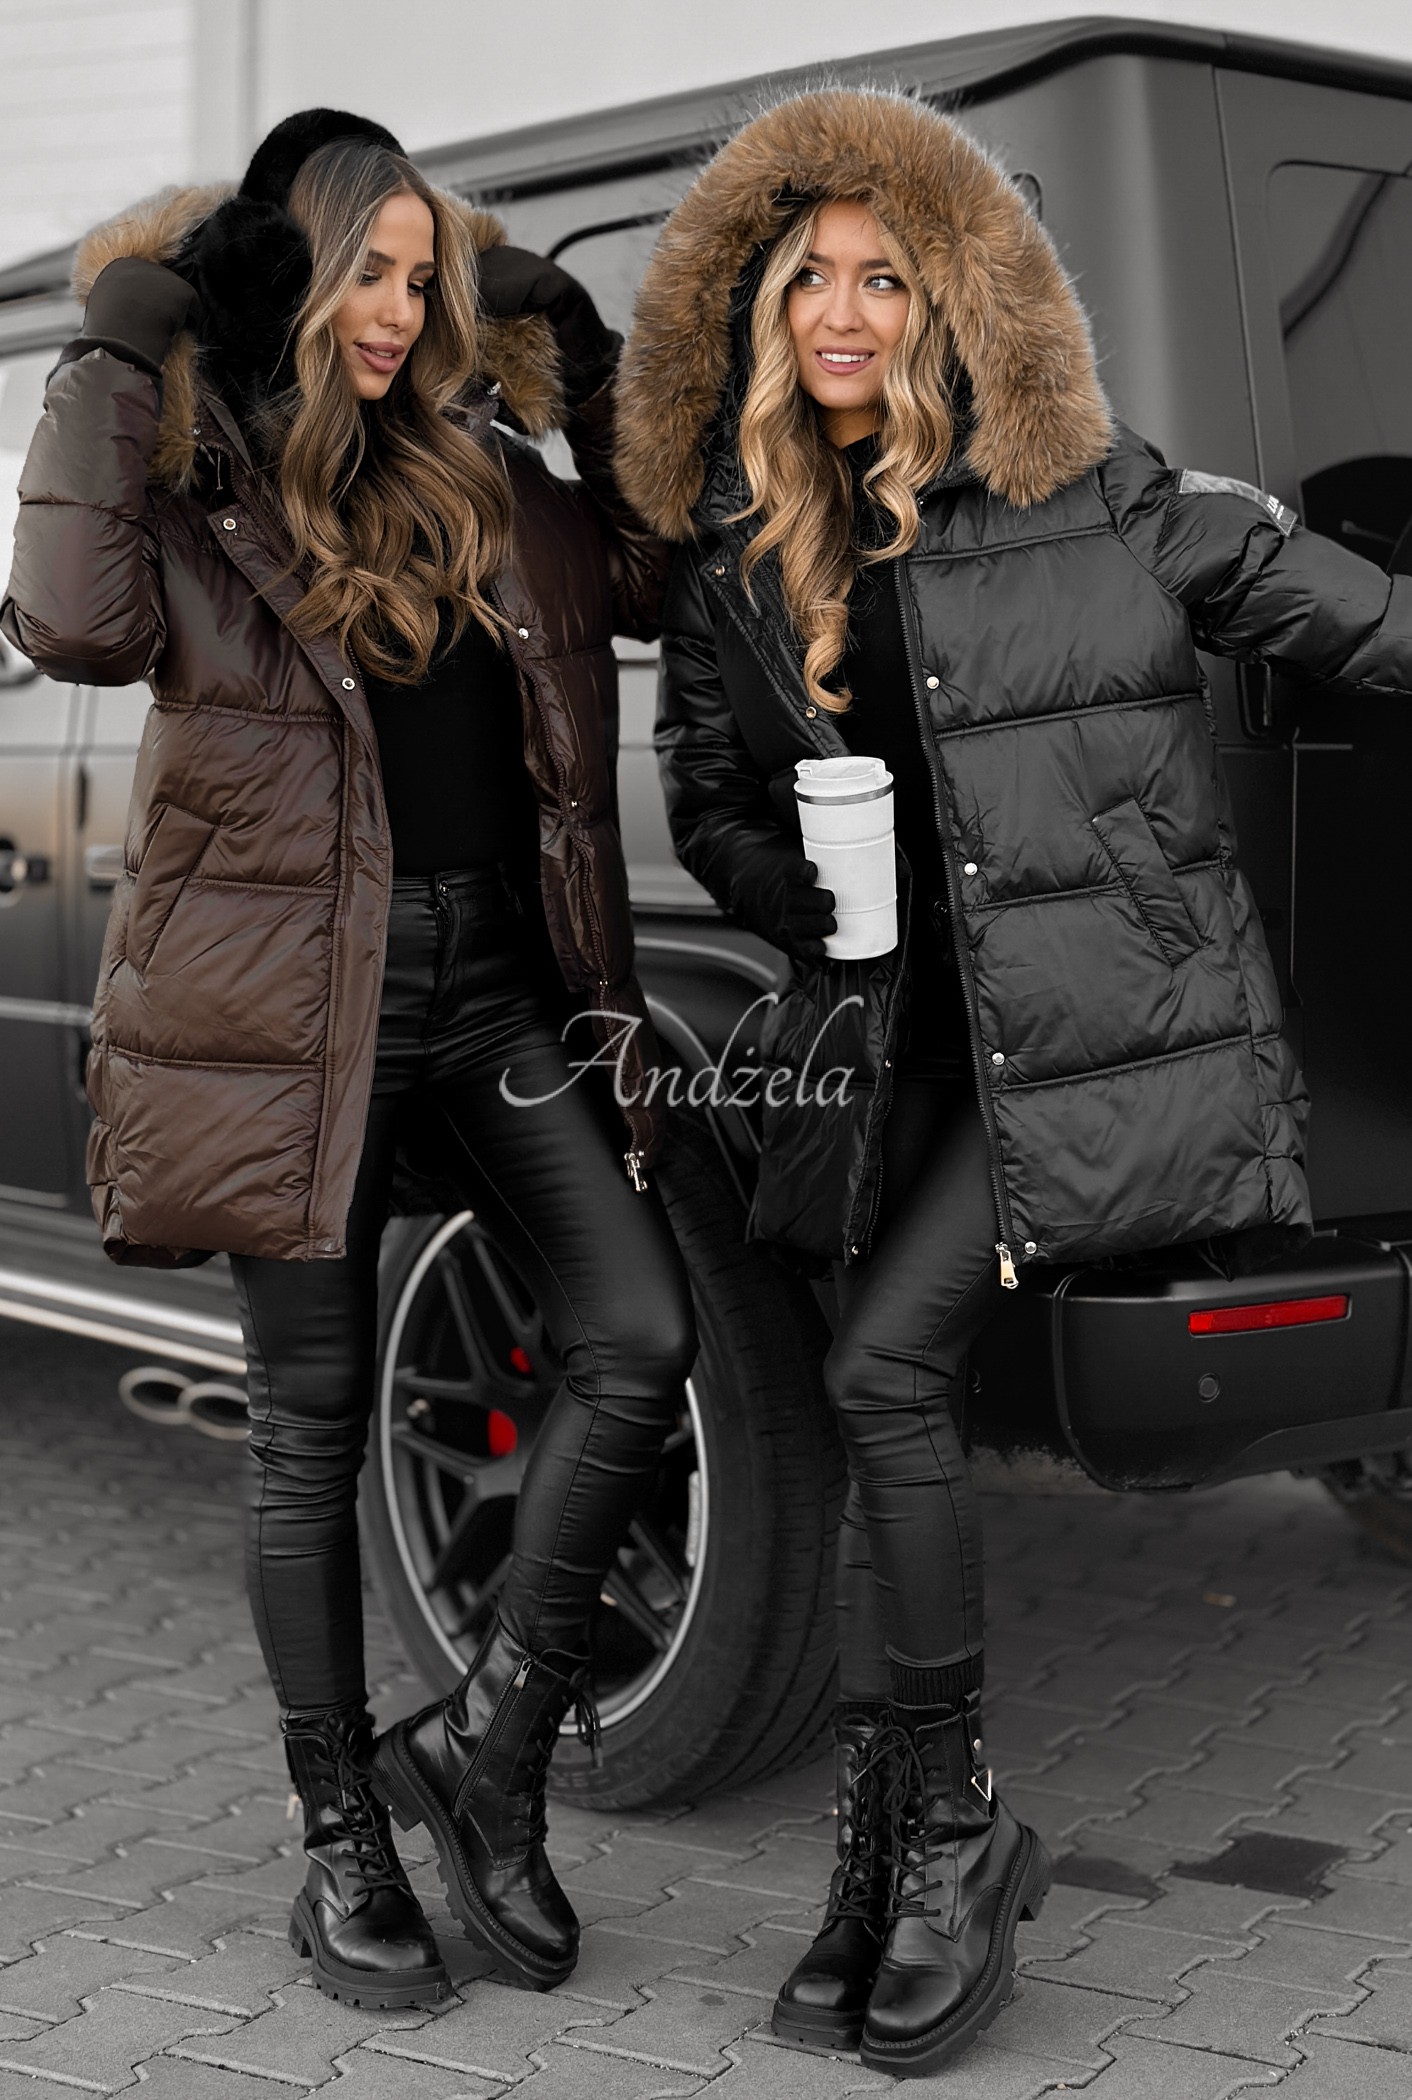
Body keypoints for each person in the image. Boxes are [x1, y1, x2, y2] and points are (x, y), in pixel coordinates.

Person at [614, 87, 1412, 2078]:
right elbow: (703, 795)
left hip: (1074, 1034)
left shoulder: (1098, 492)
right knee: (858, 1391)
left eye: (887, 277)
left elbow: (1365, 624)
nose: (844, 310)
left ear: (956, 300)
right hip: (876, 1041)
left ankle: (953, 1832)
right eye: (812, 278)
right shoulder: (735, 545)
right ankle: (889, 1845)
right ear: (765, 308)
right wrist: (799, 881)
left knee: (883, 1374)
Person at [2, 108, 696, 2014]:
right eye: (362, 273)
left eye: (421, 276)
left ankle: (486, 1753)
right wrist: (112, 346)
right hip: (293, 1007)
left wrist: (585, 358)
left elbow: (663, 565)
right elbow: (69, 622)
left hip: (498, 994)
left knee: (640, 1331)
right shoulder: (199, 482)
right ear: (288, 282)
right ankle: (340, 1838)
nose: (395, 311)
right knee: (308, 1424)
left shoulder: (486, 473)